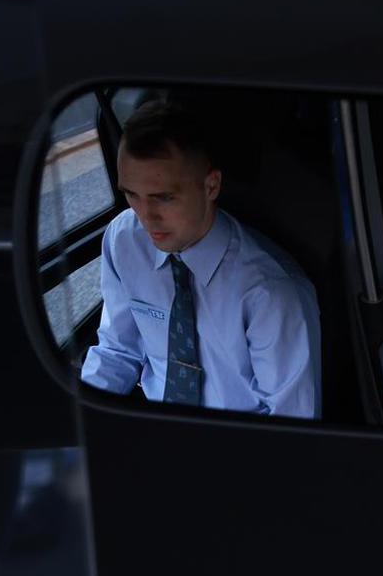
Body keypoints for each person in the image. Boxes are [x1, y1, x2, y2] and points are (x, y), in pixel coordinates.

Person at [80, 99, 321, 419]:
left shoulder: (271, 291)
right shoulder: (124, 240)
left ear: (211, 186)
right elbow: (117, 351)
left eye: (163, 197)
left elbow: (290, 423)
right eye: (131, 195)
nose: (145, 217)